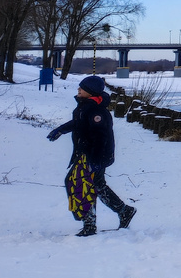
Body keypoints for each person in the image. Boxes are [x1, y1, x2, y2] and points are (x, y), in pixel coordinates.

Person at [47, 75, 136, 236]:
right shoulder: (85, 107)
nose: (78, 89)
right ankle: (123, 211)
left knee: (81, 185)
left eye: (82, 88)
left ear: (90, 92)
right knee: (96, 184)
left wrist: (95, 161)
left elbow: (100, 137)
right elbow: (78, 123)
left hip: (93, 155)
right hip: (86, 154)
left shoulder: (96, 111)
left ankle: (90, 225)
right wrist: (60, 130)